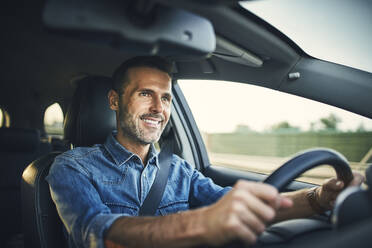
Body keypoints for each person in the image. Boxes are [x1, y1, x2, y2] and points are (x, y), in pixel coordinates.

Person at [47, 56, 364, 248]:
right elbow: (97, 235)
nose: (159, 108)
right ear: (115, 101)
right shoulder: (72, 167)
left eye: (167, 98)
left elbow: (236, 206)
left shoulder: (179, 169)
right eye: (145, 94)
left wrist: (318, 199)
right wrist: (202, 224)